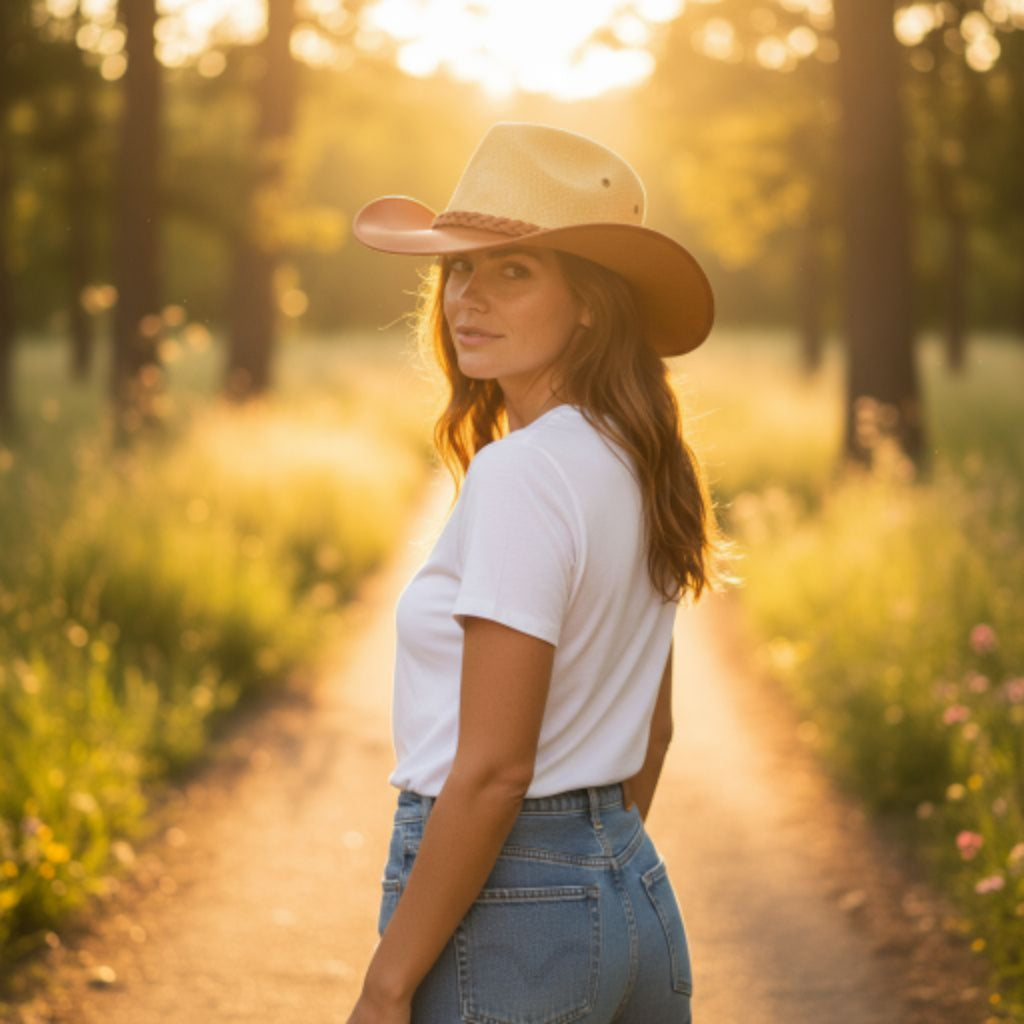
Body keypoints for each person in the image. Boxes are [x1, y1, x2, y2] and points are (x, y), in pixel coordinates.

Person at [347, 122, 721, 1024]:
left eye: (512, 271)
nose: (467, 299)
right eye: (460, 269)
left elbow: (493, 771)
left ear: (590, 302)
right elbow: (654, 732)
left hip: (513, 910)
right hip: (631, 889)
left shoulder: (524, 472)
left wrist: (386, 985)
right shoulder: (642, 462)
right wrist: (589, 867)